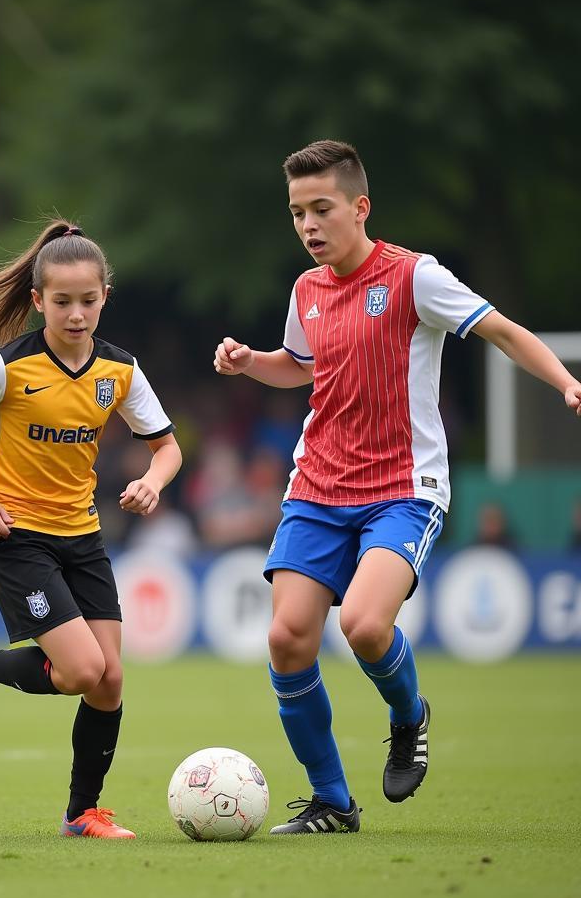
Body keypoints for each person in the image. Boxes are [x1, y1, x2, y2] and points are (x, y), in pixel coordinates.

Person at [213, 140, 581, 835]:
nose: (309, 225)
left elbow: (500, 331)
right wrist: (249, 362)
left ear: (361, 207)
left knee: (363, 624)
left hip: (402, 488)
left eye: (321, 209)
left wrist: (565, 381)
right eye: (297, 213)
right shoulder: (306, 290)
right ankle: (332, 802)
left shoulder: (415, 276)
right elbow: (299, 367)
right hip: (317, 485)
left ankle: (408, 716)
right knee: (289, 638)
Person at [0, 218, 182, 839]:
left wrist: (153, 482)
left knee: (109, 678)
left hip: (82, 535)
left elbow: (167, 448)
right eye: (61, 302)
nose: (75, 314)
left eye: (88, 301)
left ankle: (80, 813)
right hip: (14, 534)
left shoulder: (119, 371)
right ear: (38, 301)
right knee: (83, 672)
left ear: (104, 299)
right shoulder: (7, 367)